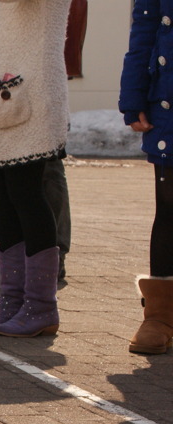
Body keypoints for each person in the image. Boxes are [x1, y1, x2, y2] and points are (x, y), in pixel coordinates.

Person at [0, 0, 71, 335]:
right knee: (1, 196)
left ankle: (40, 305)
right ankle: (11, 299)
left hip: (32, 93)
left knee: (26, 194)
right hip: (0, 92)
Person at [119, 0, 173, 355]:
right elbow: (145, 28)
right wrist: (133, 95)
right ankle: (160, 315)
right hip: (168, 96)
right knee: (169, 207)